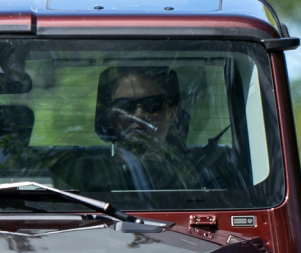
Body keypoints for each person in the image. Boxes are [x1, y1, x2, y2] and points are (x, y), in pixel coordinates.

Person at [93, 66, 238, 192]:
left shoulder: (199, 179)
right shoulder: (89, 178)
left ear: (172, 115)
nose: (139, 114)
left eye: (152, 104)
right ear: (111, 116)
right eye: (125, 105)